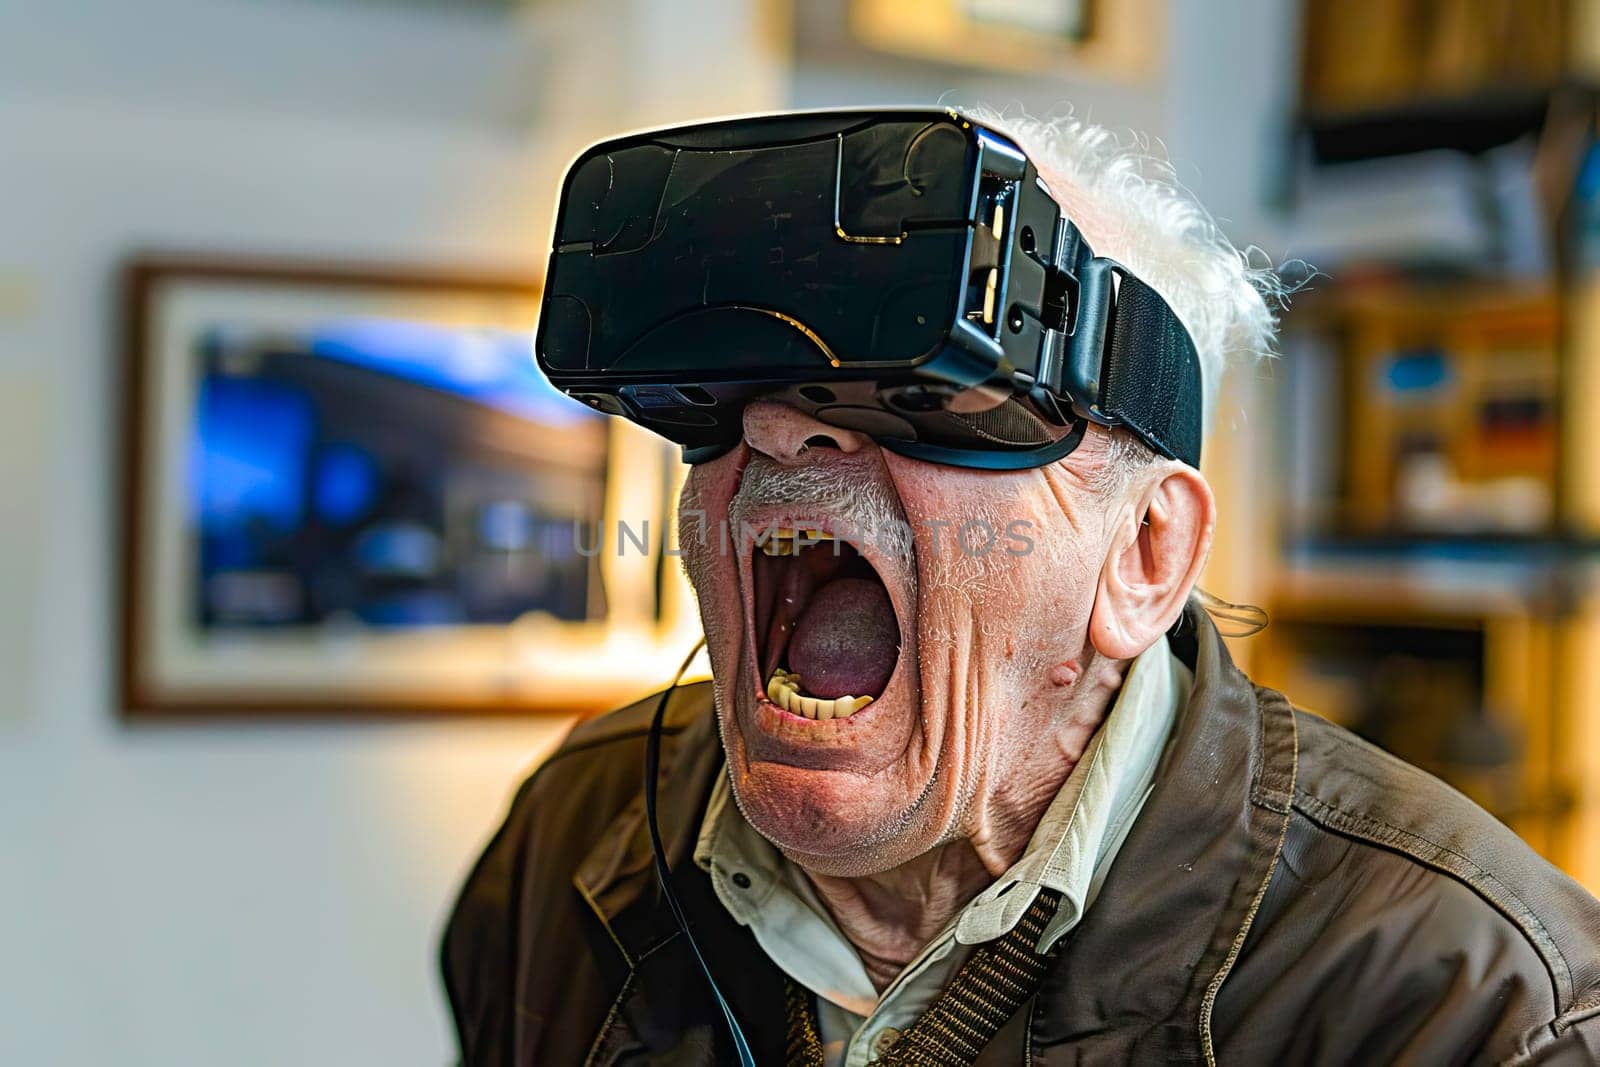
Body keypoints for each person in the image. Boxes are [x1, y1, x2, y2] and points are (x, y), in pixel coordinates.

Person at [440, 109, 1600, 1065]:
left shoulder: (1469, 1005)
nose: (783, 434)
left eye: (930, 398)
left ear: (1144, 555)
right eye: (731, 403)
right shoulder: (573, 842)